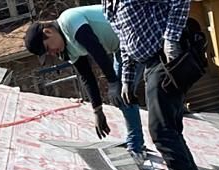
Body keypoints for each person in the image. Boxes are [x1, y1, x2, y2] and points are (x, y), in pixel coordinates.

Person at [108, 0, 210, 170]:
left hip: (167, 61)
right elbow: (126, 42)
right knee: (169, 129)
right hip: (150, 66)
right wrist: (127, 79)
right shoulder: (109, 5)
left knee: (161, 130)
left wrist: (171, 39)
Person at [23, 9, 147, 157]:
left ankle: (136, 146)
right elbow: (86, 76)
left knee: (123, 92)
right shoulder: (67, 49)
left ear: (48, 32)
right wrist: (97, 111)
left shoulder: (70, 21)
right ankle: (136, 141)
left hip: (136, 34)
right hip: (120, 47)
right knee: (122, 93)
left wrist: (113, 82)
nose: (52, 53)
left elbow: (97, 51)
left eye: (48, 48)